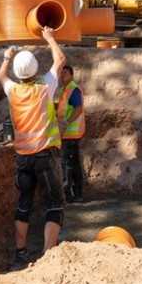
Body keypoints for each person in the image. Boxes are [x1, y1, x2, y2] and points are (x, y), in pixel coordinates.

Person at [0, 26, 66, 270]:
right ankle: (49, 257)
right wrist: (49, 37)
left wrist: (7, 56)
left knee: (24, 203)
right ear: (36, 68)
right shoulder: (44, 87)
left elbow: (1, 77)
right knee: (54, 203)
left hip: (23, 158)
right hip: (45, 156)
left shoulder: (12, 91)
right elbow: (60, 60)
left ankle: (20, 253)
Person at [56, 65, 85, 203]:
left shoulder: (73, 89)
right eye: (61, 73)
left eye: (65, 73)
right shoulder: (63, 90)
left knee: (70, 165)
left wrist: (66, 122)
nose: (62, 76)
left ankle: (74, 195)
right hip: (65, 134)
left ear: (72, 75)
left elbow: (78, 109)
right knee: (70, 164)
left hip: (71, 134)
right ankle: (72, 195)